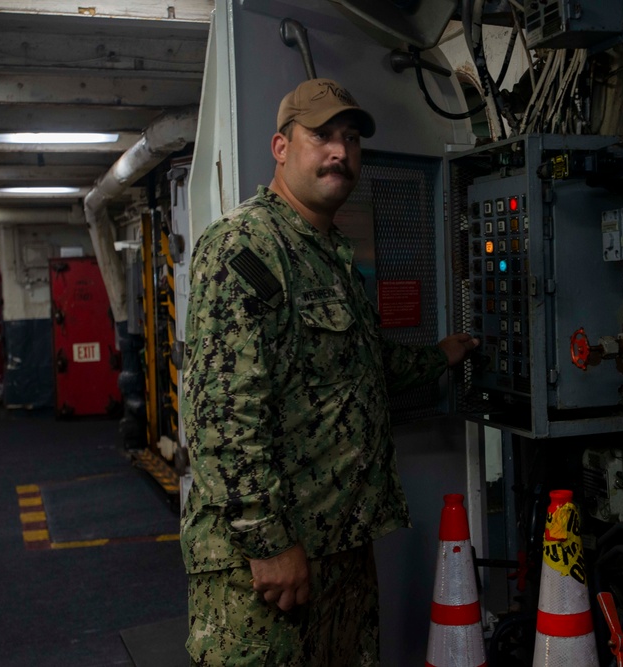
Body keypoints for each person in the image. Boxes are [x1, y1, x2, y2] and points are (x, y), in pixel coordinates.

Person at [181, 78, 478, 666]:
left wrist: (439, 357)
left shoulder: (329, 255)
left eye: (350, 139)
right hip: (265, 566)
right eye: (321, 136)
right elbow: (222, 416)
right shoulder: (247, 247)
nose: (340, 151)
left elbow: (359, 368)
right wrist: (269, 543)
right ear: (281, 147)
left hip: (338, 546)